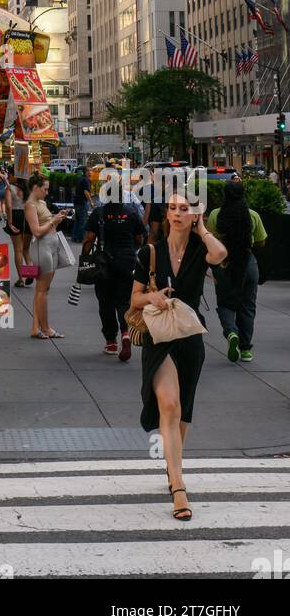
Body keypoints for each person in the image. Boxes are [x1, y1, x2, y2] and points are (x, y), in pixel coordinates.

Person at [128, 194, 227, 521]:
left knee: (182, 411)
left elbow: (221, 254)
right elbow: (134, 298)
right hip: (159, 338)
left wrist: (202, 229)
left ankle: (174, 468)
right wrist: (152, 296)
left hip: (189, 337)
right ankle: (178, 486)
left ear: (195, 215)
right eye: (172, 208)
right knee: (169, 404)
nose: (177, 214)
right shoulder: (150, 252)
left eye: (185, 209)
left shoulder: (200, 250)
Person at [206, 179, 268, 363]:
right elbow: (262, 241)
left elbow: (209, 240)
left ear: (225, 194)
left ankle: (231, 332)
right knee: (247, 306)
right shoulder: (253, 215)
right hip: (248, 263)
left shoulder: (216, 215)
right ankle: (246, 349)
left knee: (225, 303)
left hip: (224, 264)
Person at [81, 194, 144, 361]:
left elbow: (89, 239)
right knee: (124, 300)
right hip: (127, 261)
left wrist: (85, 259)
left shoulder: (99, 213)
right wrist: (130, 250)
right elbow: (139, 239)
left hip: (103, 263)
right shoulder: (131, 213)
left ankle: (111, 342)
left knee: (105, 301)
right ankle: (125, 333)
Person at [23, 173, 69, 339]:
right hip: (43, 247)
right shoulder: (30, 205)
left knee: (42, 290)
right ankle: (46, 327)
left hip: (50, 245)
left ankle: (37, 327)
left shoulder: (40, 203)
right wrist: (53, 221)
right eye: (45, 189)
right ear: (36, 188)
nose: (47, 192)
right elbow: (36, 231)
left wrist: (56, 219)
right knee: (43, 290)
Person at [4, 176, 32, 287]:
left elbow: (9, 206)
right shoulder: (29, 188)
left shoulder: (10, 188)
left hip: (16, 216)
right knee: (26, 249)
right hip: (28, 216)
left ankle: (21, 279)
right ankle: (30, 271)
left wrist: (10, 223)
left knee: (18, 250)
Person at [70, 166, 92, 244]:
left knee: (78, 220)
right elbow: (86, 192)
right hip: (82, 202)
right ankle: (80, 238)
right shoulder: (86, 180)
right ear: (86, 172)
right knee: (83, 221)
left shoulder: (79, 178)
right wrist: (91, 202)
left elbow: (74, 189)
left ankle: (74, 237)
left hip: (76, 201)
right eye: (90, 170)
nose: (91, 172)